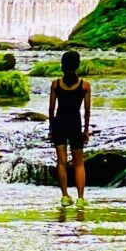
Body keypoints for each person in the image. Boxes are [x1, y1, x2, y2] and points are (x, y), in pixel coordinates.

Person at [48, 50, 92, 207]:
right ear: (77, 65)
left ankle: (65, 196)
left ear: (62, 65)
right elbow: (87, 111)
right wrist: (86, 130)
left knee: (62, 162)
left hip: (60, 124)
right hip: (75, 124)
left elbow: (51, 110)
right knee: (79, 163)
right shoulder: (84, 85)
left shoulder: (56, 84)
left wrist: (51, 129)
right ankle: (80, 198)